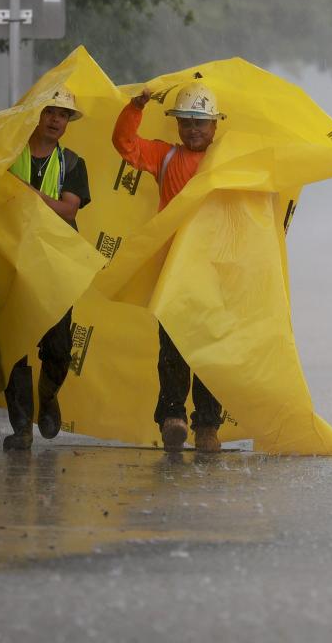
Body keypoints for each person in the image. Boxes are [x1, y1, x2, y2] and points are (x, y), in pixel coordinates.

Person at [111, 79, 227, 453]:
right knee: (173, 346)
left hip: (214, 271)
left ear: (215, 126)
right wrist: (135, 108)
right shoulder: (165, 157)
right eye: (186, 122)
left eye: (200, 123)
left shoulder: (228, 161)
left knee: (209, 349)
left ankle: (208, 427)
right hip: (173, 271)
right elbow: (125, 145)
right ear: (178, 125)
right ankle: (172, 418)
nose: (193, 130)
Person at [3, 88, 91, 451]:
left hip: (56, 264)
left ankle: (49, 394)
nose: (56, 120)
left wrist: (27, 193)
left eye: (63, 115)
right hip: (14, 260)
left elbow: (69, 210)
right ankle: (22, 427)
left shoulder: (72, 163)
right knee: (14, 345)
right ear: (36, 116)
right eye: (50, 112)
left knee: (58, 345)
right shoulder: (8, 155)